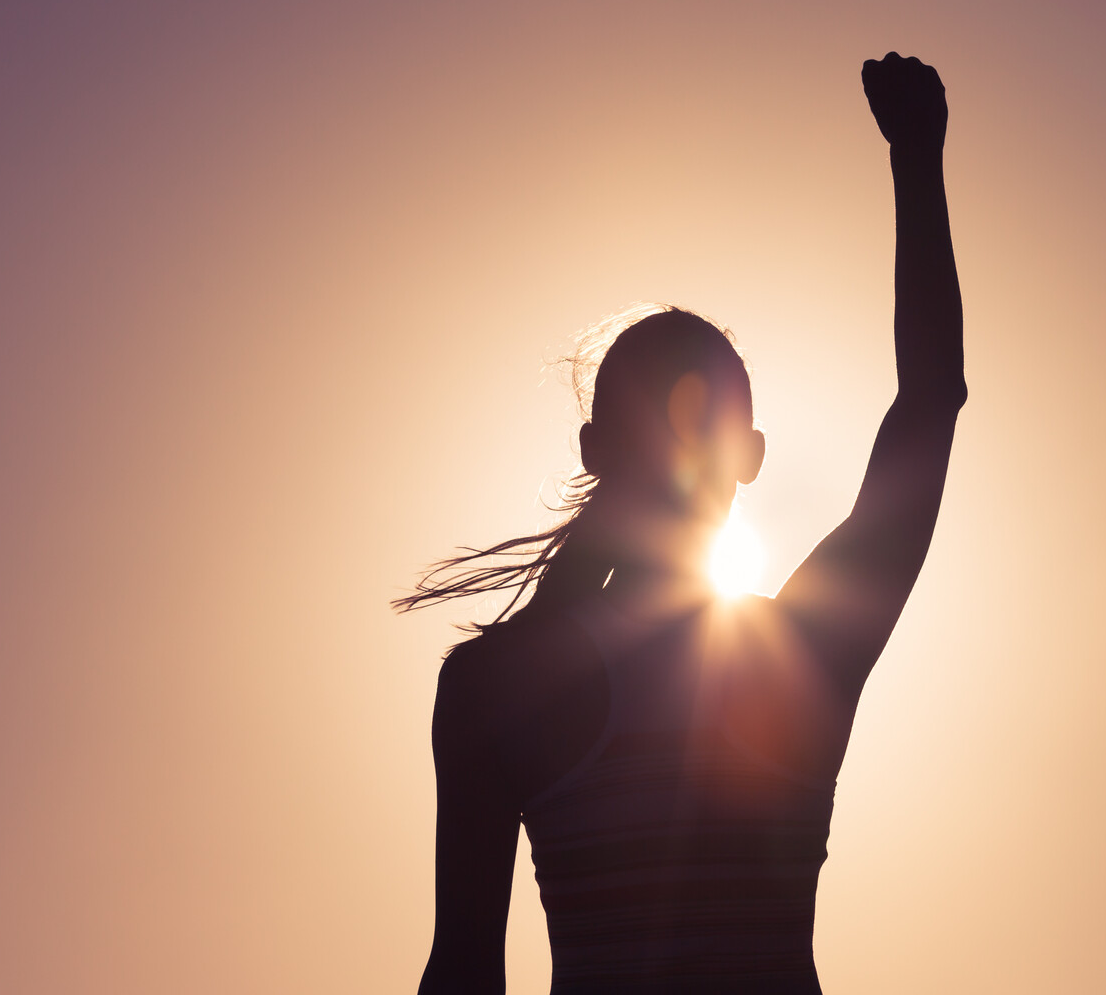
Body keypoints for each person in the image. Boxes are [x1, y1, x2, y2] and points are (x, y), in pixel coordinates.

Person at [399, 52, 962, 994]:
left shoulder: (497, 685)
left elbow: (460, 973)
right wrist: (917, 162)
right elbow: (930, 400)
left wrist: (919, 161)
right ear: (750, 460)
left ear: (593, 450)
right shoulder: (806, 649)